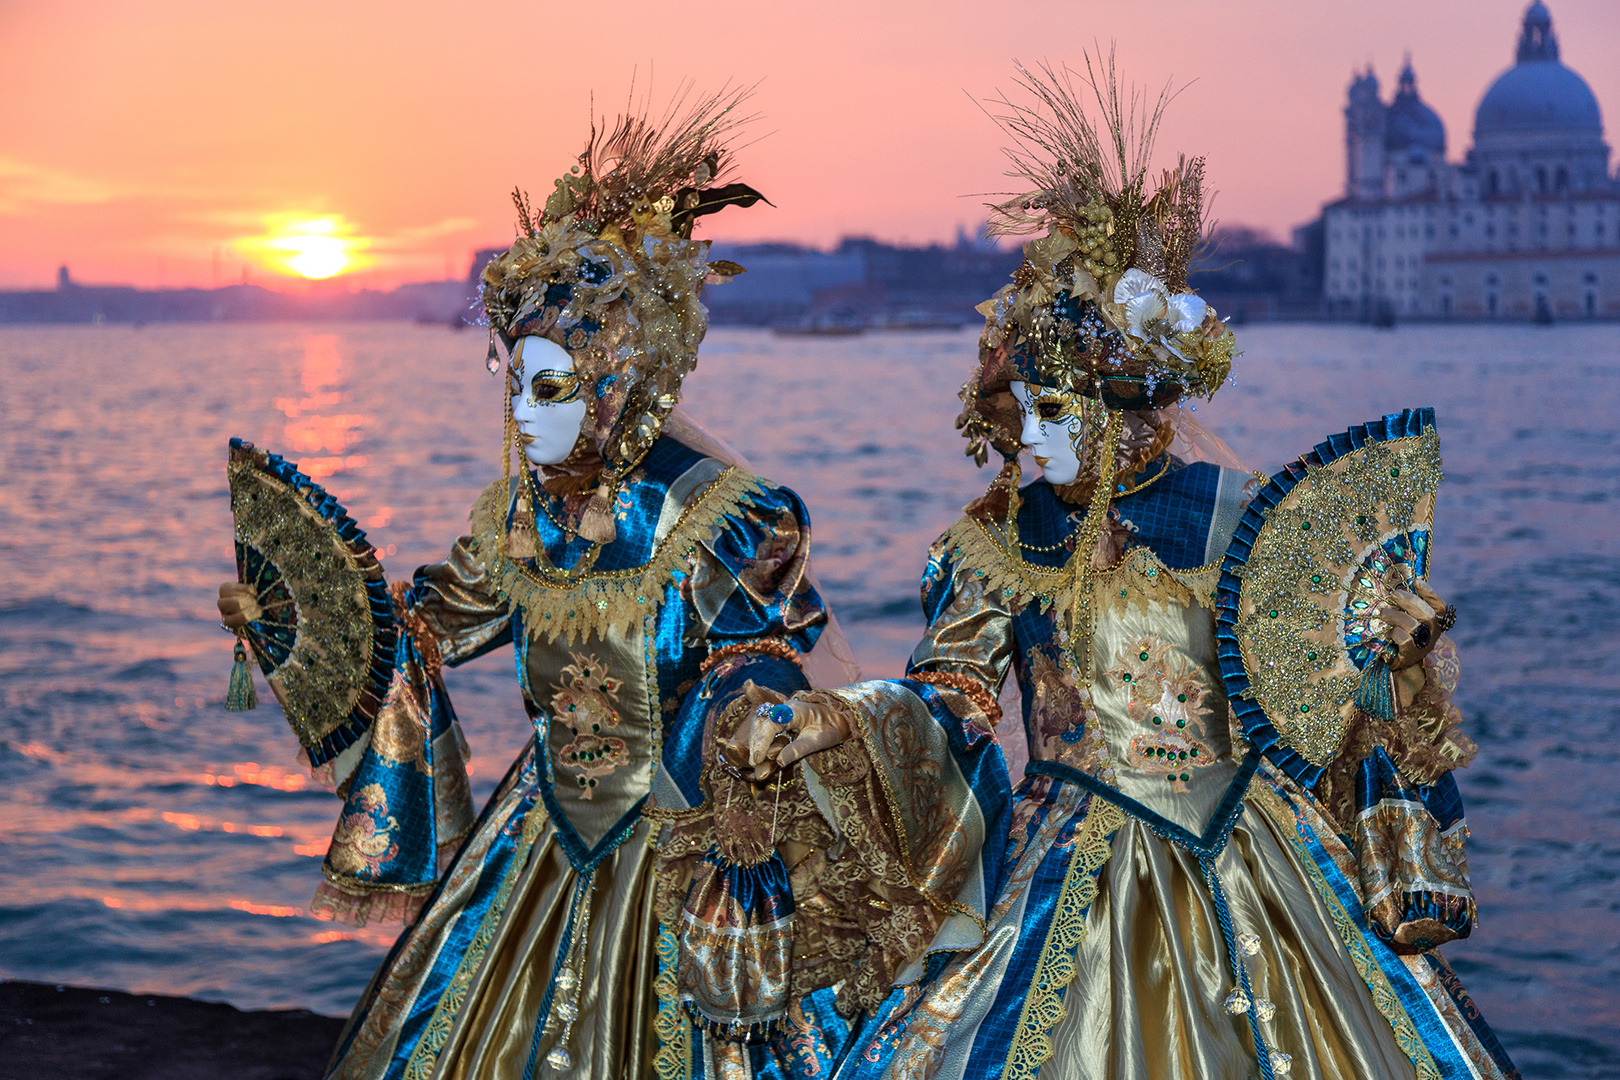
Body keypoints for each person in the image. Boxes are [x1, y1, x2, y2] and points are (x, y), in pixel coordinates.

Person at [704, 62, 1521, 1080]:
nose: (1026, 436)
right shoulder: (1002, 539)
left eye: (1052, 411)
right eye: (1020, 410)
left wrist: (1391, 654)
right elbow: (952, 695)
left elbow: (1332, 707)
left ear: (1119, 403)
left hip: (1256, 863)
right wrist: (833, 718)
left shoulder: (1239, 519)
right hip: (1065, 870)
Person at [219, 90, 859, 1080]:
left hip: (677, 845)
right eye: (513, 382)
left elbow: (760, 664)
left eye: (548, 388)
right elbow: (421, 628)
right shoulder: (523, 520)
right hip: (542, 828)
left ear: (613, 381)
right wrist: (297, 614)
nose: (521, 413)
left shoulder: (711, 513)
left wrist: (750, 732)